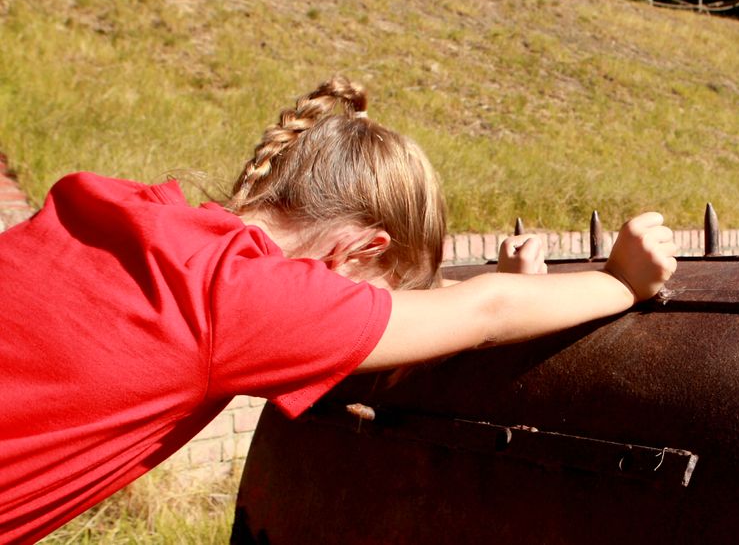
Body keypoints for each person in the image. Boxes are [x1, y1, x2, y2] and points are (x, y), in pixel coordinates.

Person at [0, 76, 676, 542]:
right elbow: (486, 312)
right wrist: (622, 281)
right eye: (371, 291)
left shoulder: (126, 209)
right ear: (359, 249)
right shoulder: (245, 302)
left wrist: (500, 284)